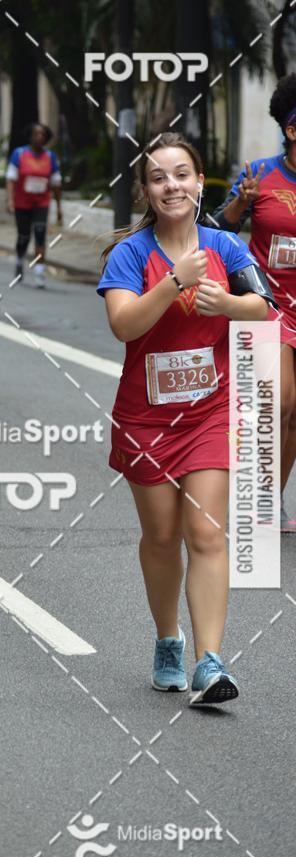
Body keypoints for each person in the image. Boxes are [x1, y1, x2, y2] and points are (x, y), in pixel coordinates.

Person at [98, 132, 275, 705]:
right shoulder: (132, 254)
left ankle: (210, 661)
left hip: (212, 412)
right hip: (147, 419)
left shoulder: (226, 248)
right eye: (158, 177)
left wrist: (225, 304)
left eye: (182, 174)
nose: (171, 185)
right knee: (162, 535)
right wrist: (176, 280)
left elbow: (265, 309)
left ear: (201, 183)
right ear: (146, 191)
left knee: (205, 532)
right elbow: (124, 325)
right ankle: (167, 638)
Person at [212, 73, 296, 531]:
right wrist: (239, 206)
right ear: (291, 129)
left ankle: (272, 496)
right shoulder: (258, 175)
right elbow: (218, 234)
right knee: (278, 404)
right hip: (269, 305)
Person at [6, 123, 62, 288]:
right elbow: (10, 179)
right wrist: (9, 200)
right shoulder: (20, 154)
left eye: (42, 135)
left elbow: (56, 183)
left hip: (41, 202)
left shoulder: (50, 157)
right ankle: (19, 260)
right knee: (23, 235)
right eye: (36, 134)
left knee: (40, 233)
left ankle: (39, 271)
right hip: (22, 202)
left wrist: (59, 207)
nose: (39, 137)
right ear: (30, 136)